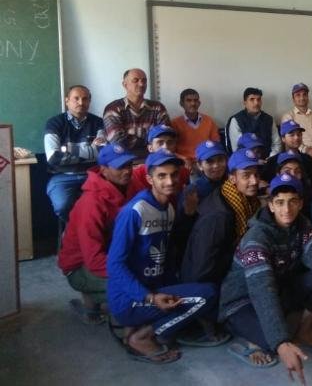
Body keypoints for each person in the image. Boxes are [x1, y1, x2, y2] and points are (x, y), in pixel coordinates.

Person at [219, 173, 312, 377]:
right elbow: (262, 290)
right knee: (275, 342)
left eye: (292, 202)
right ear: (271, 205)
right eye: (280, 202)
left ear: (300, 203)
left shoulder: (302, 225)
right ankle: (250, 343)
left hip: (278, 289)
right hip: (242, 302)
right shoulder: (256, 238)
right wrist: (281, 342)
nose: (286, 209)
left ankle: (304, 332)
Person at [106, 149, 216, 363]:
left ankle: (141, 324)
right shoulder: (135, 211)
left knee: (200, 292)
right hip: (130, 298)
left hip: (154, 287)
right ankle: (142, 337)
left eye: (174, 175)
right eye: (162, 176)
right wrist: (149, 297)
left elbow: (167, 255)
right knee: (207, 295)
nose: (170, 181)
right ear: (150, 179)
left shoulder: (169, 209)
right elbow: (114, 265)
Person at [57, 144, 135, 324]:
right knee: (135, 289)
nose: (127, 171)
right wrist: (131, 276)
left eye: (129, 165)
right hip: (80, 267)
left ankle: (93, 304)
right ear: (104, 170)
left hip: (109, 256)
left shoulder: (126, 186)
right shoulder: (91, 203)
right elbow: (93, 259)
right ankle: (92, 296)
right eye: (120, 167)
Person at [181, 149, 262, 285]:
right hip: (204, 286)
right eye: (246, 175)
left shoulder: (244, 200)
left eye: (256, 174)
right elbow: (203, 270)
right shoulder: (219, 217)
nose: (254, 181)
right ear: (232, 178)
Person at [44, 85, 106, 222]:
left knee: (105, 204)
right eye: (76, 98)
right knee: (62, 206)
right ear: (67, 101)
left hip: (92, 174)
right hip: (62, 176)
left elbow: (102, 152)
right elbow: (53, 158)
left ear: (89, 101)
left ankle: (86, 231)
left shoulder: (98, 122)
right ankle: (74, 230)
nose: (81, 102)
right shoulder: (54, 123)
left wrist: (68, 149)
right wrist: (90, 150)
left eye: (85, 99)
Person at [103, 68, 169, 160]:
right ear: (125, 85)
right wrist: (151, 136)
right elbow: (117, 142)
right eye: (135, 80)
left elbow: (165, 136)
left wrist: (132, 131)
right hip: (123, 162)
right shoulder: (113, 108)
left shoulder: (158, 107)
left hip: (154, 160)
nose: (141, 84)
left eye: (144, 81)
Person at [128, 125, 190, 199]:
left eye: (170, 142)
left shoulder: (183, 171)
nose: (165, 147)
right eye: (160, 143)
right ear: (150, 148)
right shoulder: (137, 175)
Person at [262, 120, 312, 187]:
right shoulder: (272, 161)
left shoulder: (308, 159)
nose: (296, 138)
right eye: (292, 135)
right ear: (283, 138)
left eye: (299, 134)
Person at [281, 83, 312, 164]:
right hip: (299, 154)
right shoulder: (288, 116)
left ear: (308, 97)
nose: (302, 98)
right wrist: (306, 150)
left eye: (304, 94)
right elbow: (289, 140)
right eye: (298, 95)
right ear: (293, 99)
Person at [170, 88, 220, 166]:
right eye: (188, 100)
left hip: (206, 161)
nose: (193, 103)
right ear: (181, 103)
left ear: (199, 103)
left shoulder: (209, 121)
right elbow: (169, 148)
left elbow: (216, 144)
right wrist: (182, 159)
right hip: (184, 163)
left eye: (196, 100)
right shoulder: (174, 124)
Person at [225, 87, 281, 157]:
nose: (256, 103)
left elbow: (276, 144)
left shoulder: (269, 119)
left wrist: (270, 158)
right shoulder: (236, 120)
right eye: (252, 99)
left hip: (268, 159)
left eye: (259, 99)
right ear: (245, 102)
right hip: (245, 160)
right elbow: (236, 148)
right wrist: (254, 160)